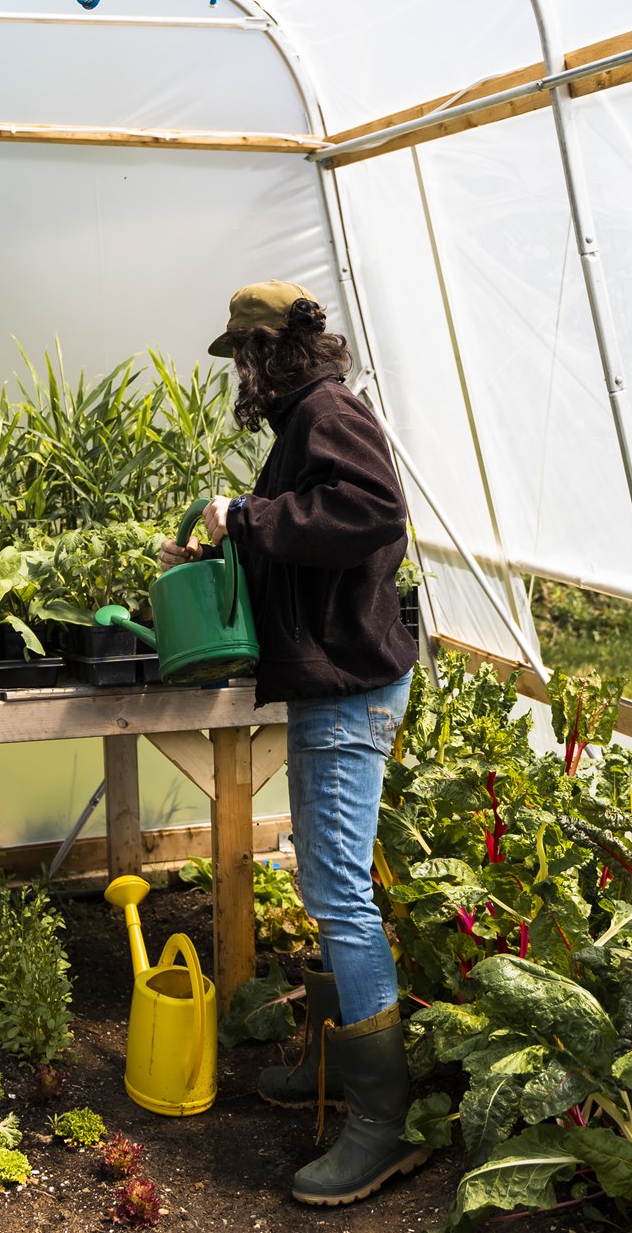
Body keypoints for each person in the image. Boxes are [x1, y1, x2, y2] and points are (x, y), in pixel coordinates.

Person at [163, 280, 422, 1206]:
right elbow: (314, 537)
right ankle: (331, 1061)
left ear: (276, 350)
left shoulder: (326, 413)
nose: (241, 374)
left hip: (350, 689)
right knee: (327, 881)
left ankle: (380, 1124)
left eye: (244, 356)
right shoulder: (305, 422)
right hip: (338, 681)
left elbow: (373, 512)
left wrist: (251, 516)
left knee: (340, 891)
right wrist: (230, 542)